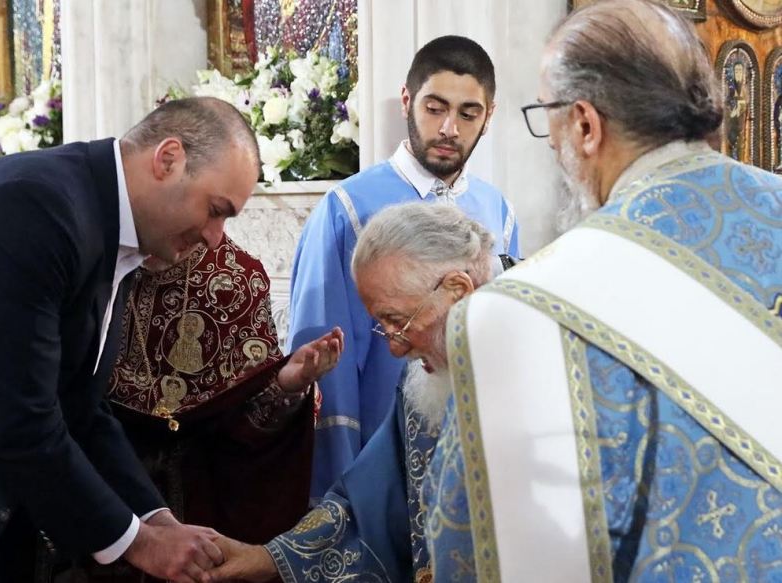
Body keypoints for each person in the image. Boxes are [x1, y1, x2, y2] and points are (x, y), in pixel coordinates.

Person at [0, 96, 335, 582]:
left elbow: (81, 405)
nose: (217, 238)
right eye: (216, 210)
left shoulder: (113, 227)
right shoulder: (35, 208)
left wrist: (157, 519)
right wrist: (141, 544)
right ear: (167, 159)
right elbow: (23, 422)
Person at [425, 1, 782, 580]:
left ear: (586, 126)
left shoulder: (517, 314)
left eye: (549, 116)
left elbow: (469, 549)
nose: (549, 142)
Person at [208, 203, 497, 583]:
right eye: (382, 325)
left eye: (398, 321)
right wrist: (271, 559)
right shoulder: (427, 382)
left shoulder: (548, 358)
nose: (395, 349)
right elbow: (366, 508)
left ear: (457, 291)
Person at [287, 34, 522, 500]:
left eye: (468, 114)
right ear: (407, 101)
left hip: (471, 463)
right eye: (435, 108)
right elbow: (325, 368)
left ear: (488, 116)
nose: (449, 128)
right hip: (379, 462)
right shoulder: (347, 209)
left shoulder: (500, 213)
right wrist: (343, 497)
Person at [46, 234, 343, 582]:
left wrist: (286, 385)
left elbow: (249, 432)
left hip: (202, 502)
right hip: (95, 490)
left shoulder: (237, 281)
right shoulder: (90, 267)